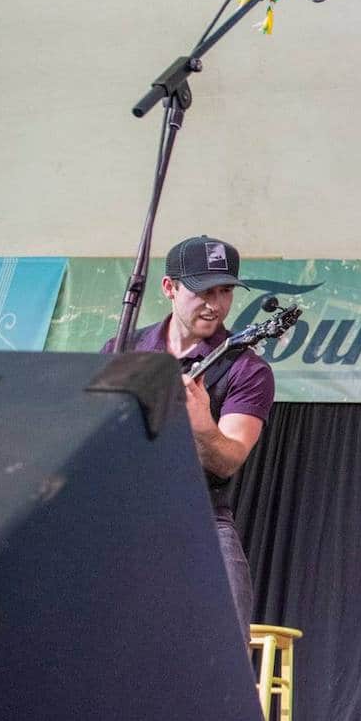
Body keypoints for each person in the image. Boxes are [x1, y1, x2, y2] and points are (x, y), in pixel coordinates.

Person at [108, 234, 275, 634]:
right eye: (203, 291)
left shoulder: (247, 371)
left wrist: (201, 425)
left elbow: (229, 459)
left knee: (225, 631)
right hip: (122, 514)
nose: (215, 304)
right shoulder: (123, 349)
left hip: (201, 515)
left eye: (224, 292)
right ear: (169, 287)